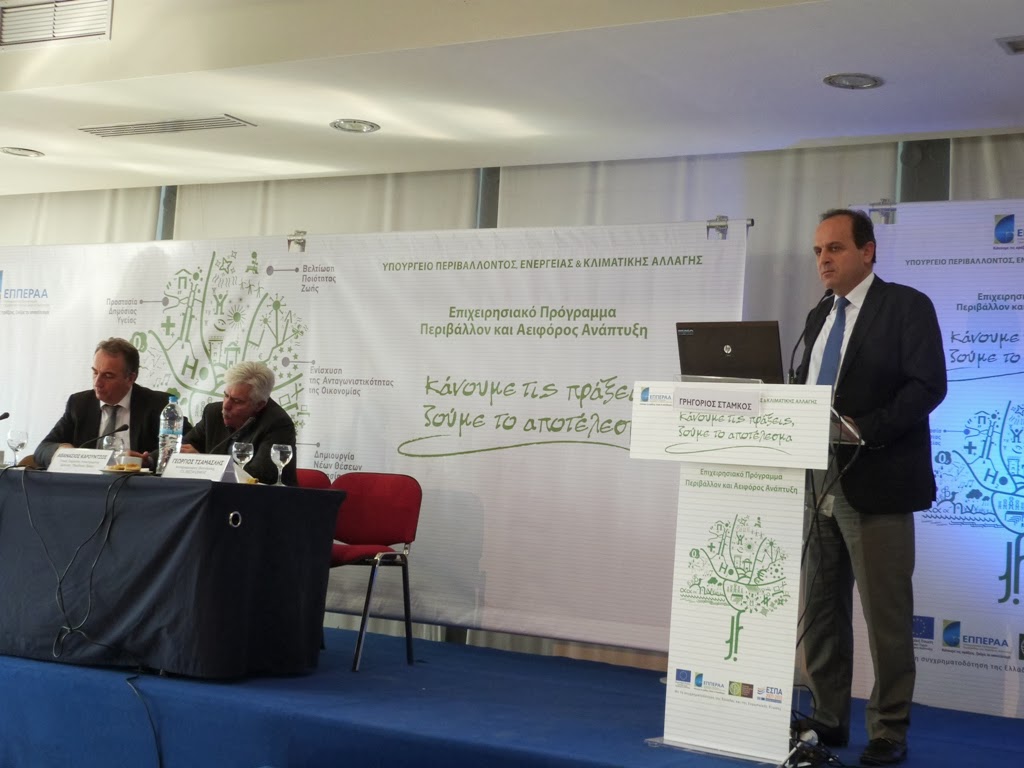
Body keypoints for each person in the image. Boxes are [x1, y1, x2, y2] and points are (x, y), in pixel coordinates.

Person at [794, 209, 946, 766]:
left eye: (834, 248)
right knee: (821, 606)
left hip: (878, 479)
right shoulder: (819, 314)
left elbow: (928, 385)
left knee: (885, 616)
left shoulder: (906, 306)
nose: (824, 260)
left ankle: (888, 729)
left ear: (868, 251)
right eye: (818, 251)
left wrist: (866, 430)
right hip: (818, 476)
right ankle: (829, 716)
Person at [34, 337, 178, 468]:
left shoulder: (159, 405)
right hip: (86, 484)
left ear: (130, 378)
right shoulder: (79, 404)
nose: (97, 383)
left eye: (108, 376)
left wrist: (149, 460)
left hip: (136, 485)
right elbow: (43, 449)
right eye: (95, 372)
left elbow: (183, 444)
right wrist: (63, 451)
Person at [181, 361, 297, 485]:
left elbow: (257, 476)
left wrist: (203, 464)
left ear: (259, 405)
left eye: (237, 401)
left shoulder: (278, 424)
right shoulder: (213, 413)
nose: (226, 406)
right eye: (226, 395)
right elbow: (183, 448)